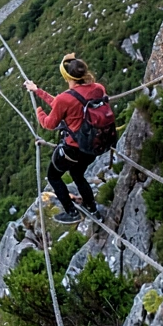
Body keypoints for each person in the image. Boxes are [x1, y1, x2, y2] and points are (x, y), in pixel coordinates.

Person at [24, 54, 106, 224]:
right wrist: (38, 91)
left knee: (53, 177)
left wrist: (39, 111)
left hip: (74, 149)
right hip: (93, 145)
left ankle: (71, 212)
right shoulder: (98, 88)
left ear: (67, 76)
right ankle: (91, 206)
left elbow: (49, 123)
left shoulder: (65, 98)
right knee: (77, 174)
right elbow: (66, 104)